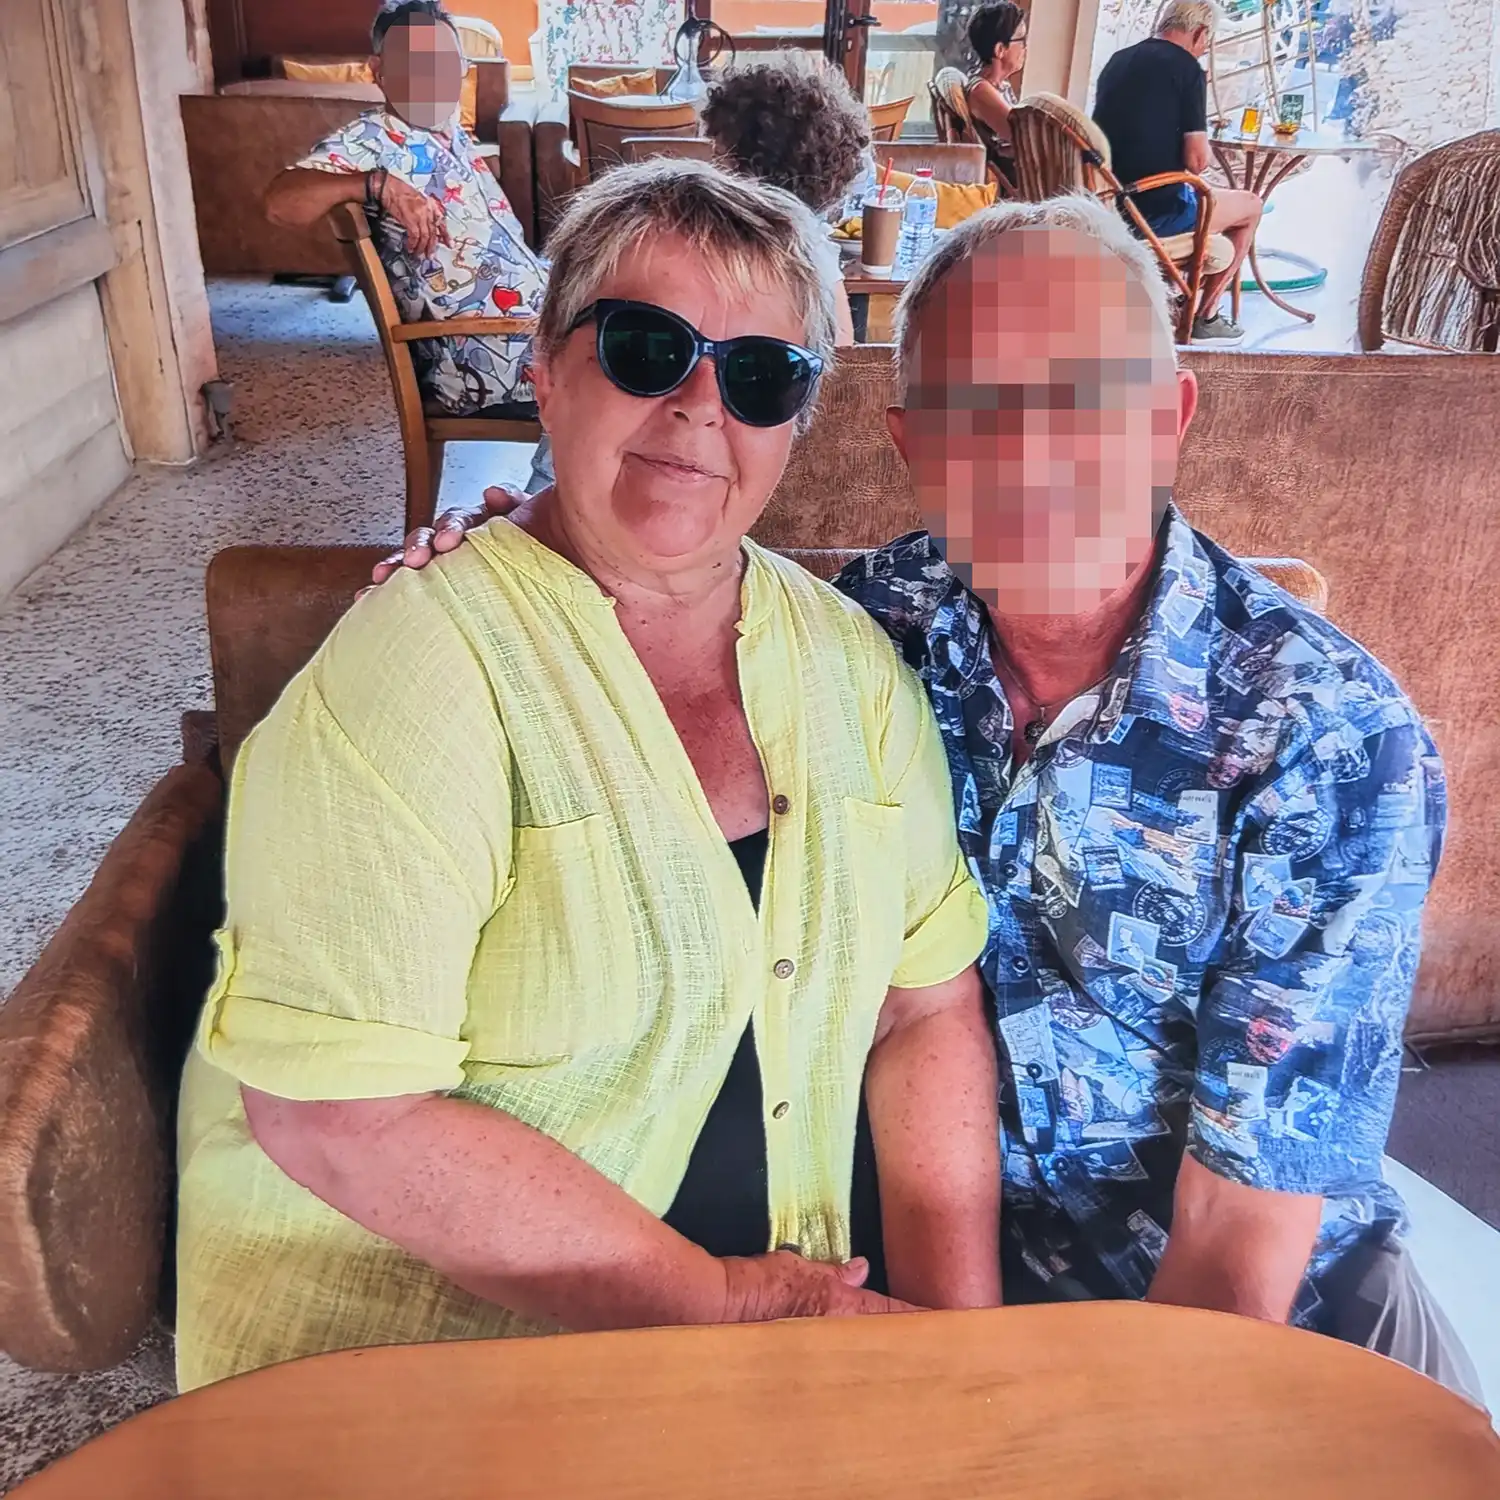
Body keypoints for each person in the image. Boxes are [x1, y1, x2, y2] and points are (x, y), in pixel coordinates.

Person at [382, 193, 1483, 1406]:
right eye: (973, 411)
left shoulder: (1327, 740)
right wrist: (515, 549)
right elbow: (658, 583)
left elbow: (1237, 1236)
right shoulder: (872, 628)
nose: (1028, 456)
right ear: (911, 444)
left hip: (1248, 1318)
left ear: (1167, 420)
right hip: (913, 1263)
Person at [176, 159, 1001, 1391]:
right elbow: (338, 1120)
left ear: (795, 424)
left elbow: (923, 1005)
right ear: (548, 371)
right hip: (439, 1374)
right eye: (645, 348)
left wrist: (968, 1360)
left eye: (761, 376)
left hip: (792, 1339)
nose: (701, 406)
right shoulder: (420, 668)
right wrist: (727, 1305)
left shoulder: (850, 661)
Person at [263, 0, 554, 492]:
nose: (432, 77)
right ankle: (543, 510)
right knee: (616, 359)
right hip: (481, 354)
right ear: (378, 71)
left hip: (527, 325)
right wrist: (376, 184)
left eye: (444, 62)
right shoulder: (372, 140)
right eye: (415, 63)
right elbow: (279, 202)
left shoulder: (446, 130)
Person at [1092, 0, 1263, 343]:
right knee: (1251, 206)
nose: (1205, 48)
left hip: (1107, 202)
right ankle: (1204, 316)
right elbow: (1197, 161)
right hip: (1153, 212)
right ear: (1199, 32)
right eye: (1208, 40)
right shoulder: (1187, 69)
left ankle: (1171, 298)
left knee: (1197, 193)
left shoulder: (1119, 60)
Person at [701, 51, 871, 345]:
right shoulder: (815, 247)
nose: (712, 168)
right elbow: (844, 351)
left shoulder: (737, 254)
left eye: (719, 157)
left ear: (750, 170)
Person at [963, 2, 1027, 171]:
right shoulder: (982, 91)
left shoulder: (1000, 85)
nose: (1025, 47)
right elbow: (1023, 138)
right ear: (1000, 49)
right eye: (1021, 39)